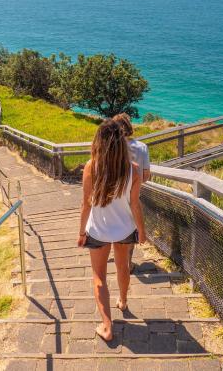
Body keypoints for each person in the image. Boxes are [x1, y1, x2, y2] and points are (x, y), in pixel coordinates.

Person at [77, 119, 147, 342]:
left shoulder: (91, 167)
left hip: (97, 231)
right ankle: (123, 301)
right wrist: (142, 231)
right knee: (122, 266)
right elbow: (135, 204)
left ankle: (107, 326)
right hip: (125, 229)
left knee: (99, 276)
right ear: (121, 143)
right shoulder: (133, 170)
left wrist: (81, 233)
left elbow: (86, 204)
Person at [113, 113, 150, 273]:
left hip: (114, 195)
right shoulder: (142, 147)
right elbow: (146, 176)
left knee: (116, 226)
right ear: (129, 127)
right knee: (131, 227)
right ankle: (127, 263)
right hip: (133, 194)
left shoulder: (111, 146)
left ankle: (119, 260)